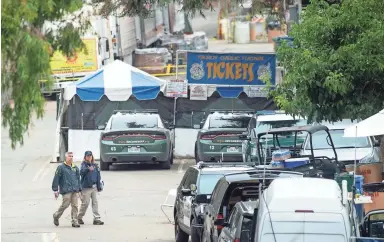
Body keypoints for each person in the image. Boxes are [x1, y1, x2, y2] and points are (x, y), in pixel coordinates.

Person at [52, 151, 82, 227]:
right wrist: (55, 189)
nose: (71, 157)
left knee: (75, 205)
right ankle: (56, 215)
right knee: (65, 205)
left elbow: (78, 179)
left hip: (74, 190)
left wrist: (79, 189)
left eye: (72, 156)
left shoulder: (75, 167)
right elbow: (56, 178)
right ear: (66, 157)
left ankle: (74, 221)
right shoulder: (61, 167)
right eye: (69, 156)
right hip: (66, 190)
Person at [78, 151, 104, 225]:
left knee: (95, 202)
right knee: (85, 203)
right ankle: (79, 217)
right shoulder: (83, 165)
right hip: (86, 188)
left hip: (94, 187)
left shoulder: (95, 165)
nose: (89, 157)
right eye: (87, 156)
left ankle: (96, 218)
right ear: (85, 157)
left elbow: (98, 176)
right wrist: (88, 169)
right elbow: (81, 172)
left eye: (90, 156)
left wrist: (99, 186)